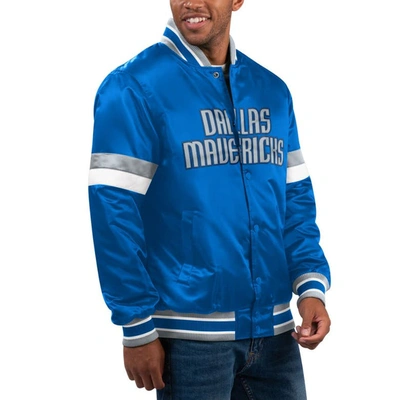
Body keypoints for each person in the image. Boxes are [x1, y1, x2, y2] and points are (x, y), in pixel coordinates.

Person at [88, 0, 331, 399]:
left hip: (276, 333)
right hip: (188, 337)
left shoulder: (272, 90)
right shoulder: (133, 87)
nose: (191, 2)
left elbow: (295, 200)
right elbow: (113, 213)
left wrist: (310, 287)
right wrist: (136, 325)